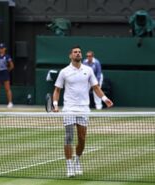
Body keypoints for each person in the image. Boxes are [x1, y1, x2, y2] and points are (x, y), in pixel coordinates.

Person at [52, 45, 113, 177]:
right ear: (70, 55)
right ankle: (69, 165)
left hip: (84, 108)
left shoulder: (89, 70)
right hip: (69, 108)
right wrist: (55, 104)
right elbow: (57, 90)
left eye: (79, 52)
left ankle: (77, 160)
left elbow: (95, 87)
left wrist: (105, 98)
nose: (78, 54)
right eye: (75, 52)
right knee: (69, 137)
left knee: (82, 138)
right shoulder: (64, 72)